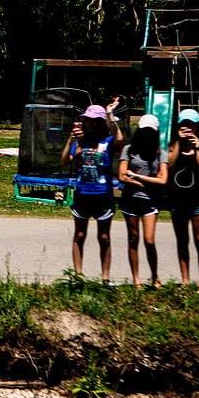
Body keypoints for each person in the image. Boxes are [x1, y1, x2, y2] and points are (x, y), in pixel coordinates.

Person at [61, 101, 125, 282]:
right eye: (88, 120)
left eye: (95, 120)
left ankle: (105, 278)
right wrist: (70, 140)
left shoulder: (107, 142)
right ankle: (78, 275)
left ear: (101, 122)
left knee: (104, 237)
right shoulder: (79, 142)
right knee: (80, 235)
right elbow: (64, 161)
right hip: (82, 194)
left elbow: (120, 139)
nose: (90, 123)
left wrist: (110, 115)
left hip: (103, 195)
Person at [167, 108, 199, 293]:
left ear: (197, 126)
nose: (188, 128)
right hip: (178, 198)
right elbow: (170, 165)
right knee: (182, 240)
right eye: (184, 124)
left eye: (191, 125)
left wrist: (195, 150)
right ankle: (185, 280)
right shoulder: (174, 143)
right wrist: (179, 144)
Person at [118, 114, 168, 287]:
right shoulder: (129, 150)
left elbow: (163, 180)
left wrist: (137, 177)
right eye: (144, 130)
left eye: (150, 131)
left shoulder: (160, 153)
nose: (147, 134)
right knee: (133, 238)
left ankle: (155, 277)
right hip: (130, 200)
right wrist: (146, 182)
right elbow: (122, 175)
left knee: (149, 240)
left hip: (150, 202)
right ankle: (136, 280)